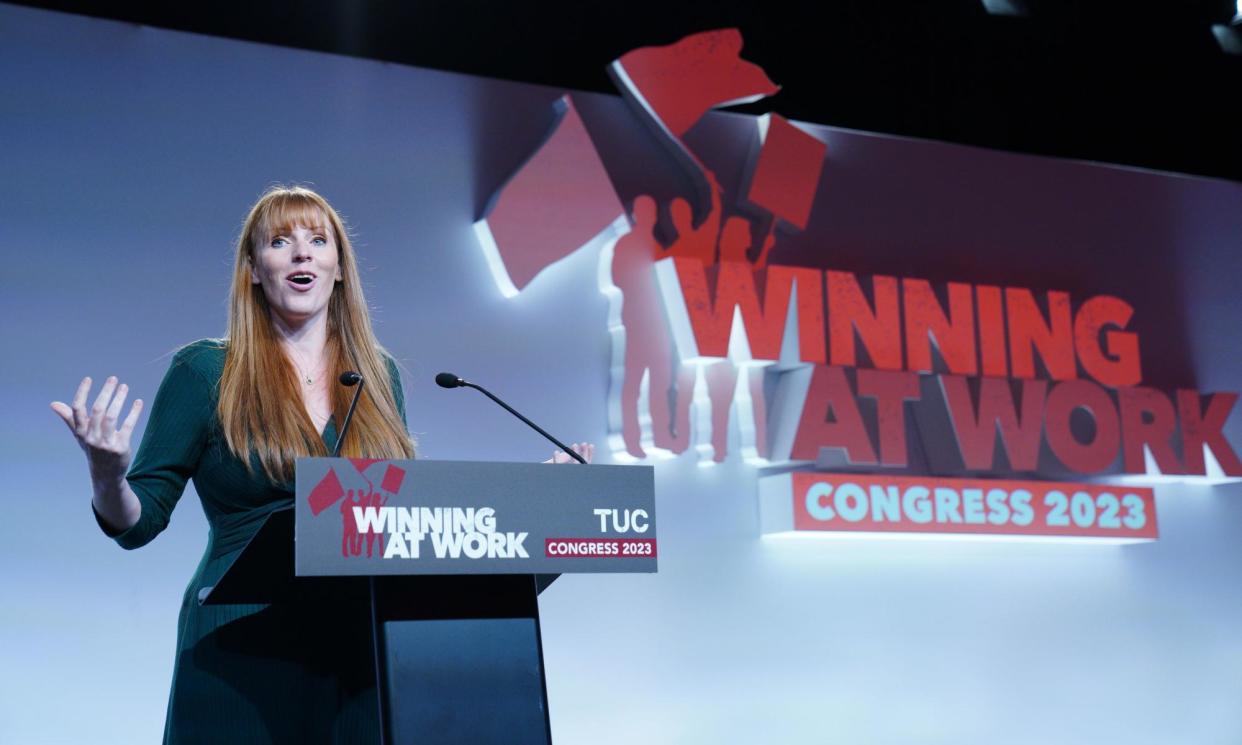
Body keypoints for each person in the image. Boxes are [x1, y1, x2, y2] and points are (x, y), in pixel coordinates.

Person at [51, 185, 591, 744]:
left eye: (317, 240)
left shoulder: (377, 375)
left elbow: (402, 521)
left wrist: (542, 512)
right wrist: (108, 474)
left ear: (339, 268)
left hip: (353, 655)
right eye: (280, 242)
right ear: (255, 270)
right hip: (238, 651)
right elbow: (137, 523)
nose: (302, 253)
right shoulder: (208, 371)